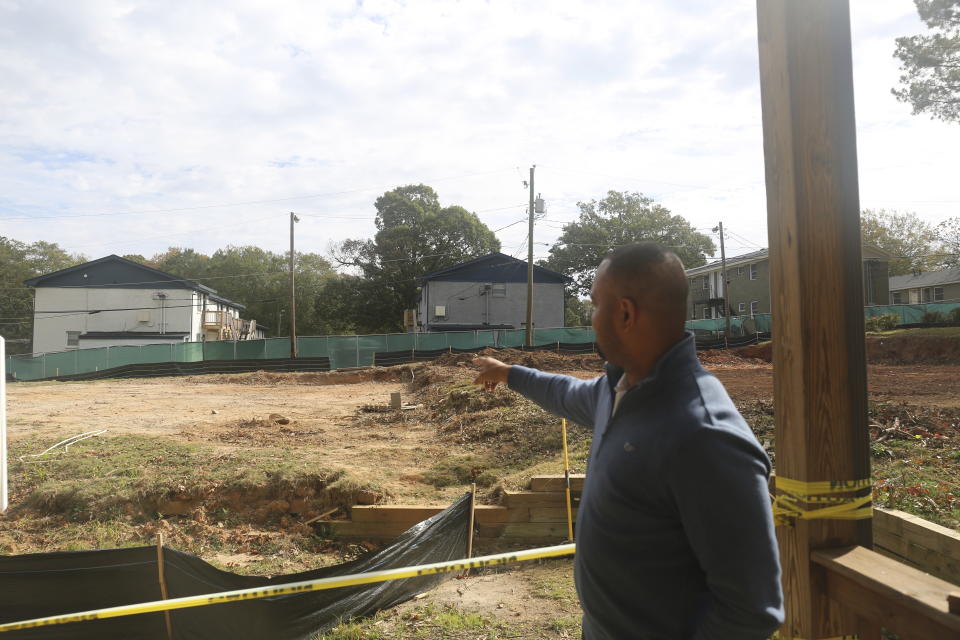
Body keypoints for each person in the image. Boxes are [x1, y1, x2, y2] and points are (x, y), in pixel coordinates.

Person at [473, 243, 783, 639]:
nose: (591, 318)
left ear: (624, 313)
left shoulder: (706, 437)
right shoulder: (618, 389)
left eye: (594, 305)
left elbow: (751, 610)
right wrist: (507, 373)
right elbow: (564, 392)